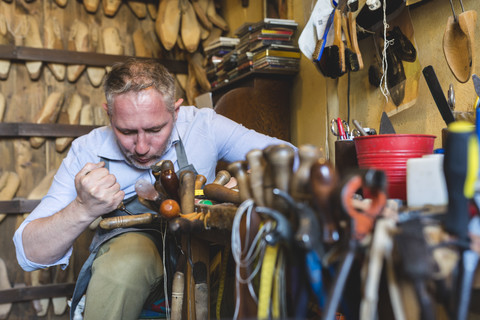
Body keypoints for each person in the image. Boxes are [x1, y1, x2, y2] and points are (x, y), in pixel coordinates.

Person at [13, 58, 296, 319]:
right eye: (126, 131)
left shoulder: (203, 125)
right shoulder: (88, 151)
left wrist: (250, 181)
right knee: (125, 265)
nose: (141, 147)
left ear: (175, 110)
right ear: (108, 114)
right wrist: (82, 208)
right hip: (130, 259)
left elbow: (292, 159)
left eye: (154, 129)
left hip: (201, 249)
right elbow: (28, 254)